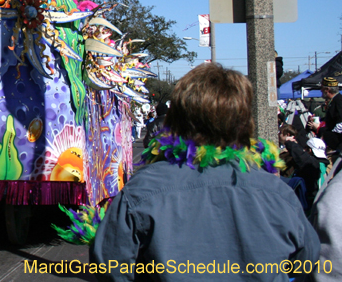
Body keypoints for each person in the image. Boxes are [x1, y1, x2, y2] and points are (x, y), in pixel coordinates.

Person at [91, 63, 319, 281]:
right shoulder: (278, 193)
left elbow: (109, 266)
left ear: (176, 119)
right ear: (243, 121)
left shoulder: (142, 190)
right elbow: (306, 261)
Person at [320, 77, 342, 154]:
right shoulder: (334, 101)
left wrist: (330, 135)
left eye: (322, 88)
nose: (321, 90)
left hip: (338, 142)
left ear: (327, 89)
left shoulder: (339, 100)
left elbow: (340, 122)